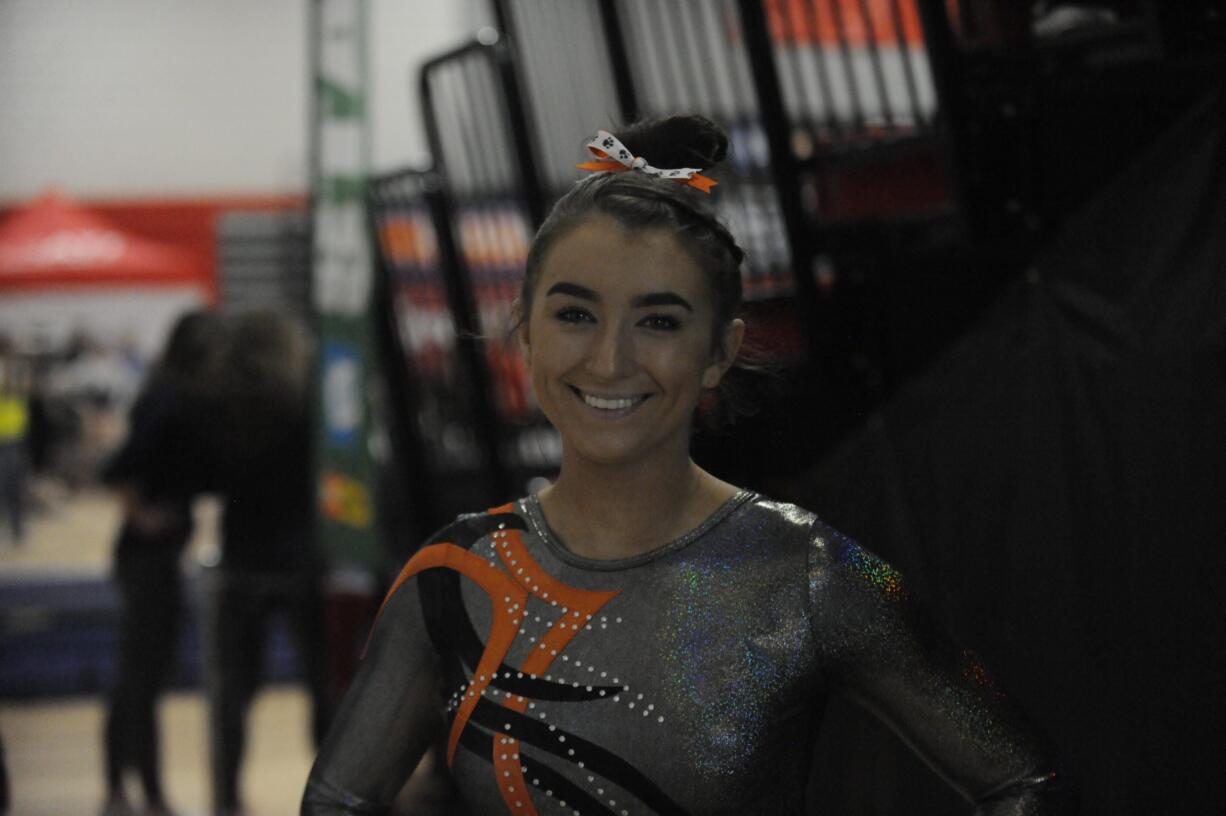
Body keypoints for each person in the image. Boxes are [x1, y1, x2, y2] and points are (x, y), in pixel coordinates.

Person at [301, 115, 1075, 815]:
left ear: (720, 352)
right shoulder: (456, 575)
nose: (610, 360)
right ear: (526, 334)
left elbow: (1026, 786)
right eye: (575, 314)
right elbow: (337, 802)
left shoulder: (802, 572)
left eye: (660, 321)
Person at [207, 309, 333, 816]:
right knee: (323, 691)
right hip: (304, 563)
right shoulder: (307, 404)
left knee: (233, 695)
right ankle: (330, 797)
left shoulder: (223, 409)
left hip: (241, 565)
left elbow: (206, 479)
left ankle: (228, 799)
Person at [100, 309, 225, 816]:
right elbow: (119, 468)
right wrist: (143, 515)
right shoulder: (169, 403)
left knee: (144, 673)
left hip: (155, 556)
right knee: (141, 676)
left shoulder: (176, 398)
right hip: (146, 557)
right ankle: (137, 788)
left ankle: (132, 787)